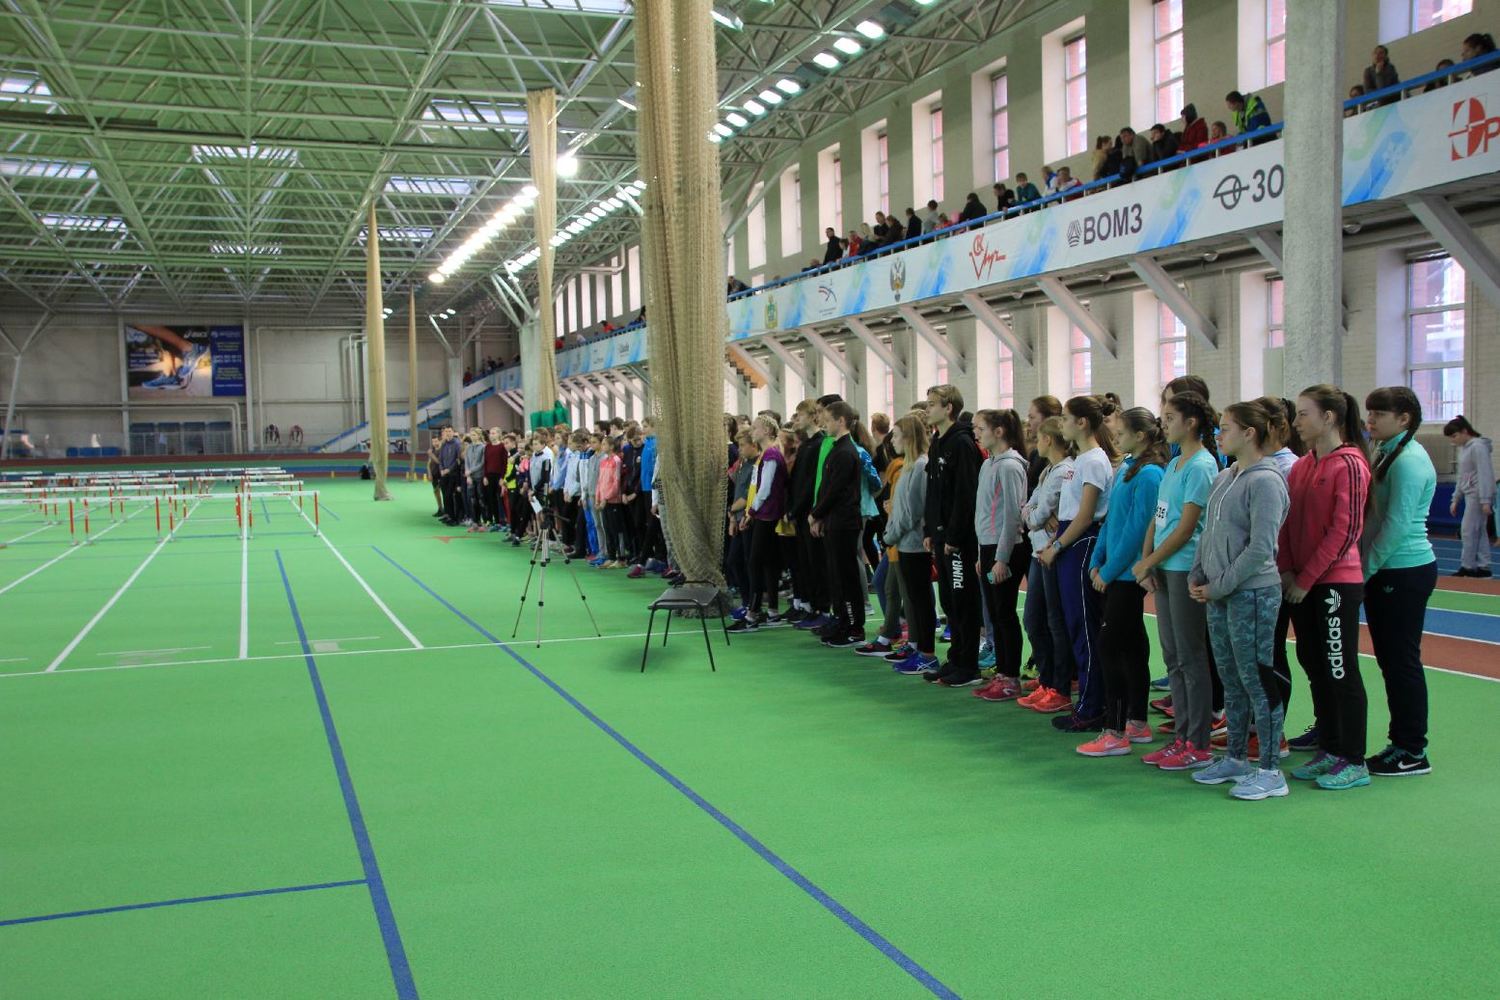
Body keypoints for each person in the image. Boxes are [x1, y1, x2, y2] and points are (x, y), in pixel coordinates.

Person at [1187, 400, 1292, 800]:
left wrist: (1221, 585)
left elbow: (1261, 548)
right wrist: (1200, 572)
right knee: (1230, 677)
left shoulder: (1267, 481)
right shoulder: (1225, 476)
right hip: (1220, 593)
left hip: (1251, 594)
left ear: (1250, 433)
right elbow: (1208, 531)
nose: (1219, 434)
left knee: (1256, 679)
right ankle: (1235, 757)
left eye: (1226, 428)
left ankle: (1270, 769)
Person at [1281, 385, 1373, 792]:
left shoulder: (1349, 464)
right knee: (1315, 665)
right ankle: (1331, 748)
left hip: (1334, 584)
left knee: (1340, 670)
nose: (1296, 422)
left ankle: (1353, 759)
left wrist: (1307, 578)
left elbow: (1346, 530)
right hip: (1301, 584)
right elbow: (1285, 523)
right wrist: (1287, 571)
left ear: (1330, 417)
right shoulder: (1301, 466)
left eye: (1303, 414)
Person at [1135, 393, 1221, 770]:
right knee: (1172, 656)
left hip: (1185, 567)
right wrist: (1147, 559)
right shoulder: (1173, 465)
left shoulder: (1202, 466)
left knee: (1190, 655)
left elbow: (1187, 528)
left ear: (1190, 423)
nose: (1163, 423)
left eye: (1170, 417)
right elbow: (1159, 516)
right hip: (1164, 566)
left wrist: (1151, 560)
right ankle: (1181, 736)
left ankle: (1198, 742)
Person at [1077, 408, 1166, 756]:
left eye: (1121, 433)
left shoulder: (1150, 476)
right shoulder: (1128, 469)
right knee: (1127, 647)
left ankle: (1115, 730)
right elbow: (1112, 521)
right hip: (1114, 571)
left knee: (1111, 647)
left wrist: (1110, 570)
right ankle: (1137, 722)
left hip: (1129, 576)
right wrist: (1097, 561)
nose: (1115, 438)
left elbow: (1138, 531)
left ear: (1141, 436)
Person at [1362, 387, 1438, 776]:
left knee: (1402, 662)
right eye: (1369, 413)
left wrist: (1366, 568)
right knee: (1392, 662)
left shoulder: (1408, 460)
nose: (1370, 420)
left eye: (1379, 414)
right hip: (1389, 570)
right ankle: (1402, 743)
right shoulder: (1386, 451)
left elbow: (1396, 525)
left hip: (1403, 570)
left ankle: (1412, 749)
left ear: (1404, 417)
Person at [1038, 395, 1118, 729]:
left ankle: (1092, 706)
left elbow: (1086, 515)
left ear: (1082, 422)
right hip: (1071, 539)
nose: (1063, 423)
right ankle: (1089, 701)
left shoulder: (1094, 461)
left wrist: (1056, 546)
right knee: (1074, 625)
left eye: (1067, 418)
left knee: (1084, 627)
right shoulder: (1081, 460)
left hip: (1081, 542)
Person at [922, 384, 983, 686]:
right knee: (948, 600)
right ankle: (956, 657)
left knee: (963, 601)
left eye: (932, 404)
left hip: (958, 540)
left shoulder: (961, 443)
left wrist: (954, 537)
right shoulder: (937, 441)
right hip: (941, 536)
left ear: (948, 408)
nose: (927, 408)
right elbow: (933, 492)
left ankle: (969, 664)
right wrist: (930, 530)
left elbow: (965, 495)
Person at [1018, 416, 1077, 713]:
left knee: (1055, 622)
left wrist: (1032, 514)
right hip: (1038, 552)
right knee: (1034, 620)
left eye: (1039, 436)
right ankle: (1048, 678)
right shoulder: (1047, 471)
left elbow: (1038, 516)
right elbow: (1030, 507)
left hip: (1051, 553)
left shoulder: (1064, 471)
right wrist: (1032, 513)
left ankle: (1060, 685)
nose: (1034, 439)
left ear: (1049, 440)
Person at [972, 410, 1030, 702]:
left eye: (980, 428)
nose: (976, 432)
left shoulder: (1010, 466)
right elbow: (984, 512)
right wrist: (984, 552)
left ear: (998, 431)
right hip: (989, 546)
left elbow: (1012, 515)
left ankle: (1011, 677)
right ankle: (1002, 673)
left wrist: (1002, 557)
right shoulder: (988, 465)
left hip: (1006, 547)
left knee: (1005, 614)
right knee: (994, 614)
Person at [809, 401, 866, 648]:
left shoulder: (846, 451)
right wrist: (820, 515)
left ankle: (854, 627)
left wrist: (816, 514)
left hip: (844, 522)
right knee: (836, 576)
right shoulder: (836, 448)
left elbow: (834, 490)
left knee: (847, 577)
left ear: (841, 421)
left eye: (829, 420)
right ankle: (842, 620)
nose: (825, 424)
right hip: (833, 520)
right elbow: (824, 486)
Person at [887, 413, 939, 676]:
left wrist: (891, 535)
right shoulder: (908, 466)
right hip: (904, 544)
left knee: (920, 603)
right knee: (914, 603)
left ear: (908, 437)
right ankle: (918, 647)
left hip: (915, 545)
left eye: (896, 435)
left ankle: (928, 654)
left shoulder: (920, 466)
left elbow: (912, 511)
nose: (892, 440)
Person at [1445, 415, 1494, 577]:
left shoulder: (1478, 447)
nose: (1453, 441)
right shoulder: (1466, 449)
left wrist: (1485, 500)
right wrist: (1456, 498)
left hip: (1478, 494)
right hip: (1470, 494)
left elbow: (1484, 473)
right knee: (1477, 531)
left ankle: (1469, 565)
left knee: (1468, 530)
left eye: (1454, 436)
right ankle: (1482, 566)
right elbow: (1462, 475)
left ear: (1465, 431)